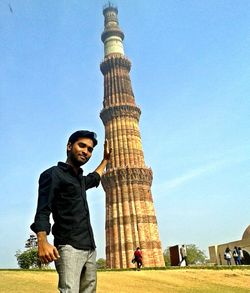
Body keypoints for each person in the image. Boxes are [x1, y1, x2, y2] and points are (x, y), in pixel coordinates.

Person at [30, 130, 112, 293]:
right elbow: (43, 209)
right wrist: (42, 241)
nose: (86, 152)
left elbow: (95, 178)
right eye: (82, 146)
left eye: (89, 149)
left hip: (89, 247)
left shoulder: (80, 180)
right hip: (69, 247)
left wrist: (105, 160)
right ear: (69, 146)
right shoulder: (53, 174)